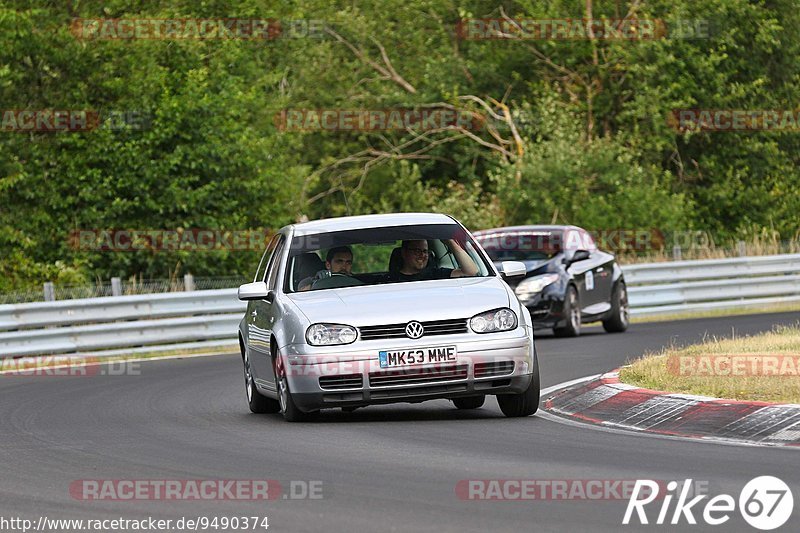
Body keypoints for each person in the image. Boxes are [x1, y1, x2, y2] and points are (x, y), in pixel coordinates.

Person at [396, 239, 478, 281]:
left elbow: (471, 272)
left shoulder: (437, 274)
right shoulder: (389, 280)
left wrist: (450, 242)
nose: (422, 255)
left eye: (425, 251)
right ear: (404, 253)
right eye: (417, 251)